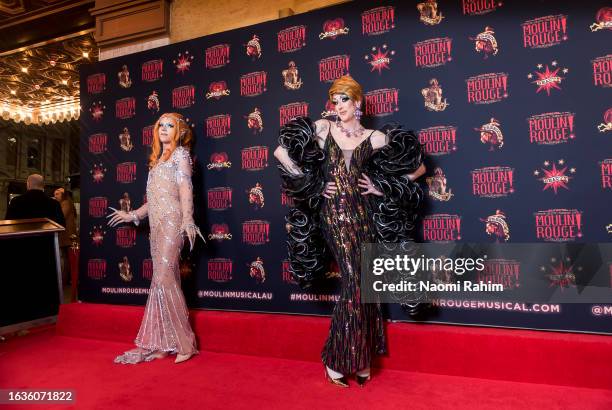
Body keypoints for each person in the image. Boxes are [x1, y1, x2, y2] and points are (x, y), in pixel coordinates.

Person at [274, 76, 425, 387]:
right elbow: (280, 153)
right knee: (355, 283)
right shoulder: (323, 128)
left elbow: (420, 168)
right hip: (333, 217)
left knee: (364, 285)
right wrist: (312, 185)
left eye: (344, 99)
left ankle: (359, 358)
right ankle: (337, 359)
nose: (338, 105)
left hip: (365, 217)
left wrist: (383, 187)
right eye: (335, 100)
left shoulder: (375, 136)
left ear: (358, 103)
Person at [108, 112, 205, 364]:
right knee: (162, 279)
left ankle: (185, 343)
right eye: (160, 125)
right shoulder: (157, 160)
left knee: (164, 277)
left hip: (173, 222)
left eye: (169, 125)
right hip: (157, 225)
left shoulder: (181, 155)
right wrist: (133, 215)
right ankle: (164, 342)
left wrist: (187, 219)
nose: (163, 128)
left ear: (179, 131)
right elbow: (153, 200)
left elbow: (185, 188)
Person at [54, 188, 78, 285]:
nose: (55, 196)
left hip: (67, 235)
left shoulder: (66, 203)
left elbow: (61, 216)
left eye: (57, 194)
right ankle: (67, 280)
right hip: (66, 235)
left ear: (63, 195)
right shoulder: (64, 203)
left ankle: (65, 280)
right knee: (67, 258)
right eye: (55, 194)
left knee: (67, 258)